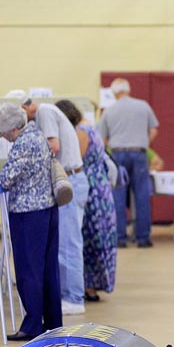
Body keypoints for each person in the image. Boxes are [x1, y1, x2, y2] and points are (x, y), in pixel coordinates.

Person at [8, 91, 90, 316]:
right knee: (67, 243)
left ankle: (73, 298)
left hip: (68, 181)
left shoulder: (44, 112)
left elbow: (53, 146)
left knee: (68, 245)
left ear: (24, 108)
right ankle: (70, 295)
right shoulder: (48, 111)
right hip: (72, 179)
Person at [0, 103, 62, 341]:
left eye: (2, 131)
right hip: (47, 210)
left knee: (29, 270)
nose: (2, 136)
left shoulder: (23, 142)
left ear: (13, 128)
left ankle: (32, 326)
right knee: (48, 270)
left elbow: (7, 178)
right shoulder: (37, 135)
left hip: (28, 214)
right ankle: (53, 323)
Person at [55, 100, 117, 303]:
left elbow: (75, 157)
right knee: (95, 238)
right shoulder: (90, 127)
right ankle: (90, 287)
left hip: (91, 188)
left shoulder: (81, 131)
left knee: (87, 239)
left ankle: (87, 287)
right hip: (99, 186)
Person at [98, 78, 159, 248]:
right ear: (129, 89)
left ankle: (120, 238)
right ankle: (143, 238)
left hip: (118, 154)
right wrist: (144, 143)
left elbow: (102, 139)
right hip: (139, 153)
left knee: (118, 196)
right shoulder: (143, 106)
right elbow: (154, 129)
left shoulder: (108, 111)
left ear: (113, 92)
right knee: (142, 195)